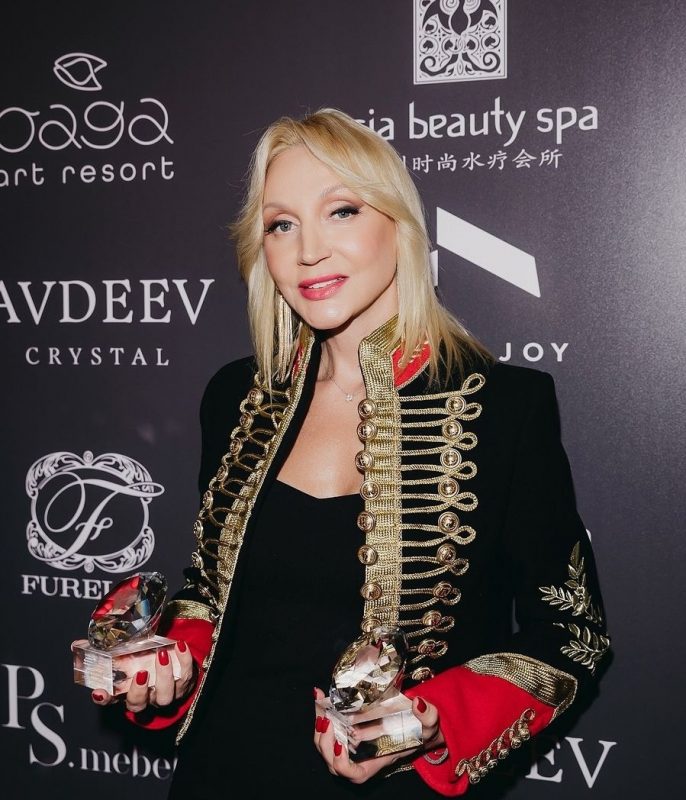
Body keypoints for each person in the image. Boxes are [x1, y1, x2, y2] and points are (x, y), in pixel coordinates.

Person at [90, 108, 611, 798]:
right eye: (281, 224)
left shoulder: (506, 407)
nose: (308, 251)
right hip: (221, 772)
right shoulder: (236, 396)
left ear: (399, 226)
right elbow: (211, 593)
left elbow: (572, 633)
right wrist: (169, 660)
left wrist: (433, 724)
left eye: (341, 211)